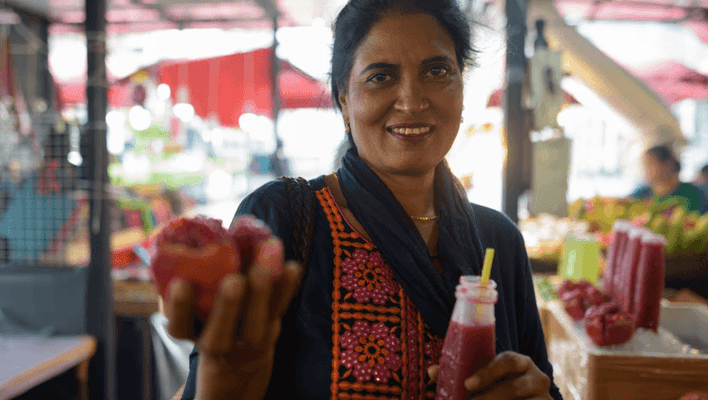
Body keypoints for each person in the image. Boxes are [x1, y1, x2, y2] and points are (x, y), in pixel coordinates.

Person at [164, 0, 561, 399]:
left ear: (461, 86)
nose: (411, 101)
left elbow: (540, 384)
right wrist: (227, 377)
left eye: (437, 71)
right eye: (381, 77)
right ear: (343, 100)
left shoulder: (500, 241)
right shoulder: (283, 218)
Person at [631, 145, 707, 213]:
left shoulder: (693, 195)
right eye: (644, 164)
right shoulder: (640, 194)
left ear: (668, 165)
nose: (645, 169)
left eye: (650, 164)